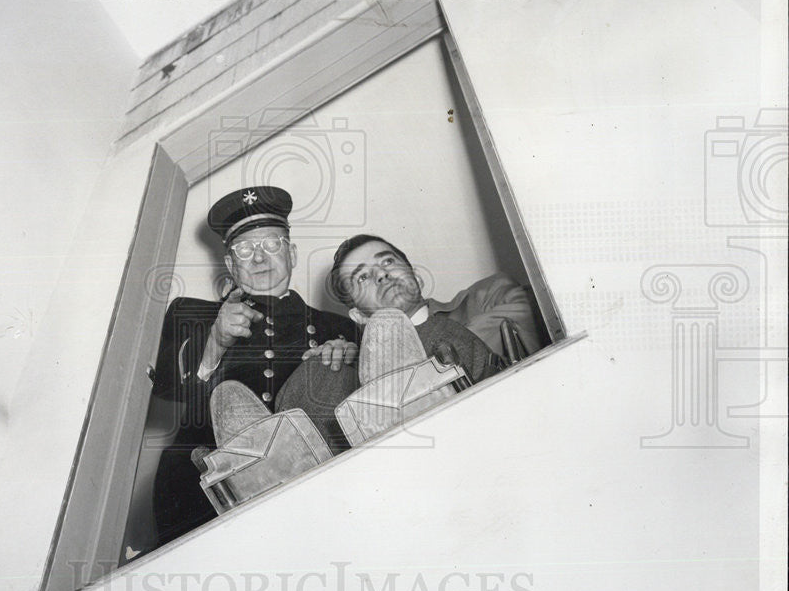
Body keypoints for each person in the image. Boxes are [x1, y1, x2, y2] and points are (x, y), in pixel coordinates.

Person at [151, 186, 359, 542]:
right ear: (230, 265)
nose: (259, 259)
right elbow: (162, 400)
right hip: (206, 500)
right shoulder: (192, 317)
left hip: (313, 491)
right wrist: (215, 341)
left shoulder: (338, 328)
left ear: (292, 254)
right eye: (245, 250)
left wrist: (350, 367)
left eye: (271, 245)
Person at [329, 234, 544, 381]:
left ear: (417, 277)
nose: (382, 274)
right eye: (363, 277)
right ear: (359, 316)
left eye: (387, 262)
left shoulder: (489, 295)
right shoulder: (363, 373)